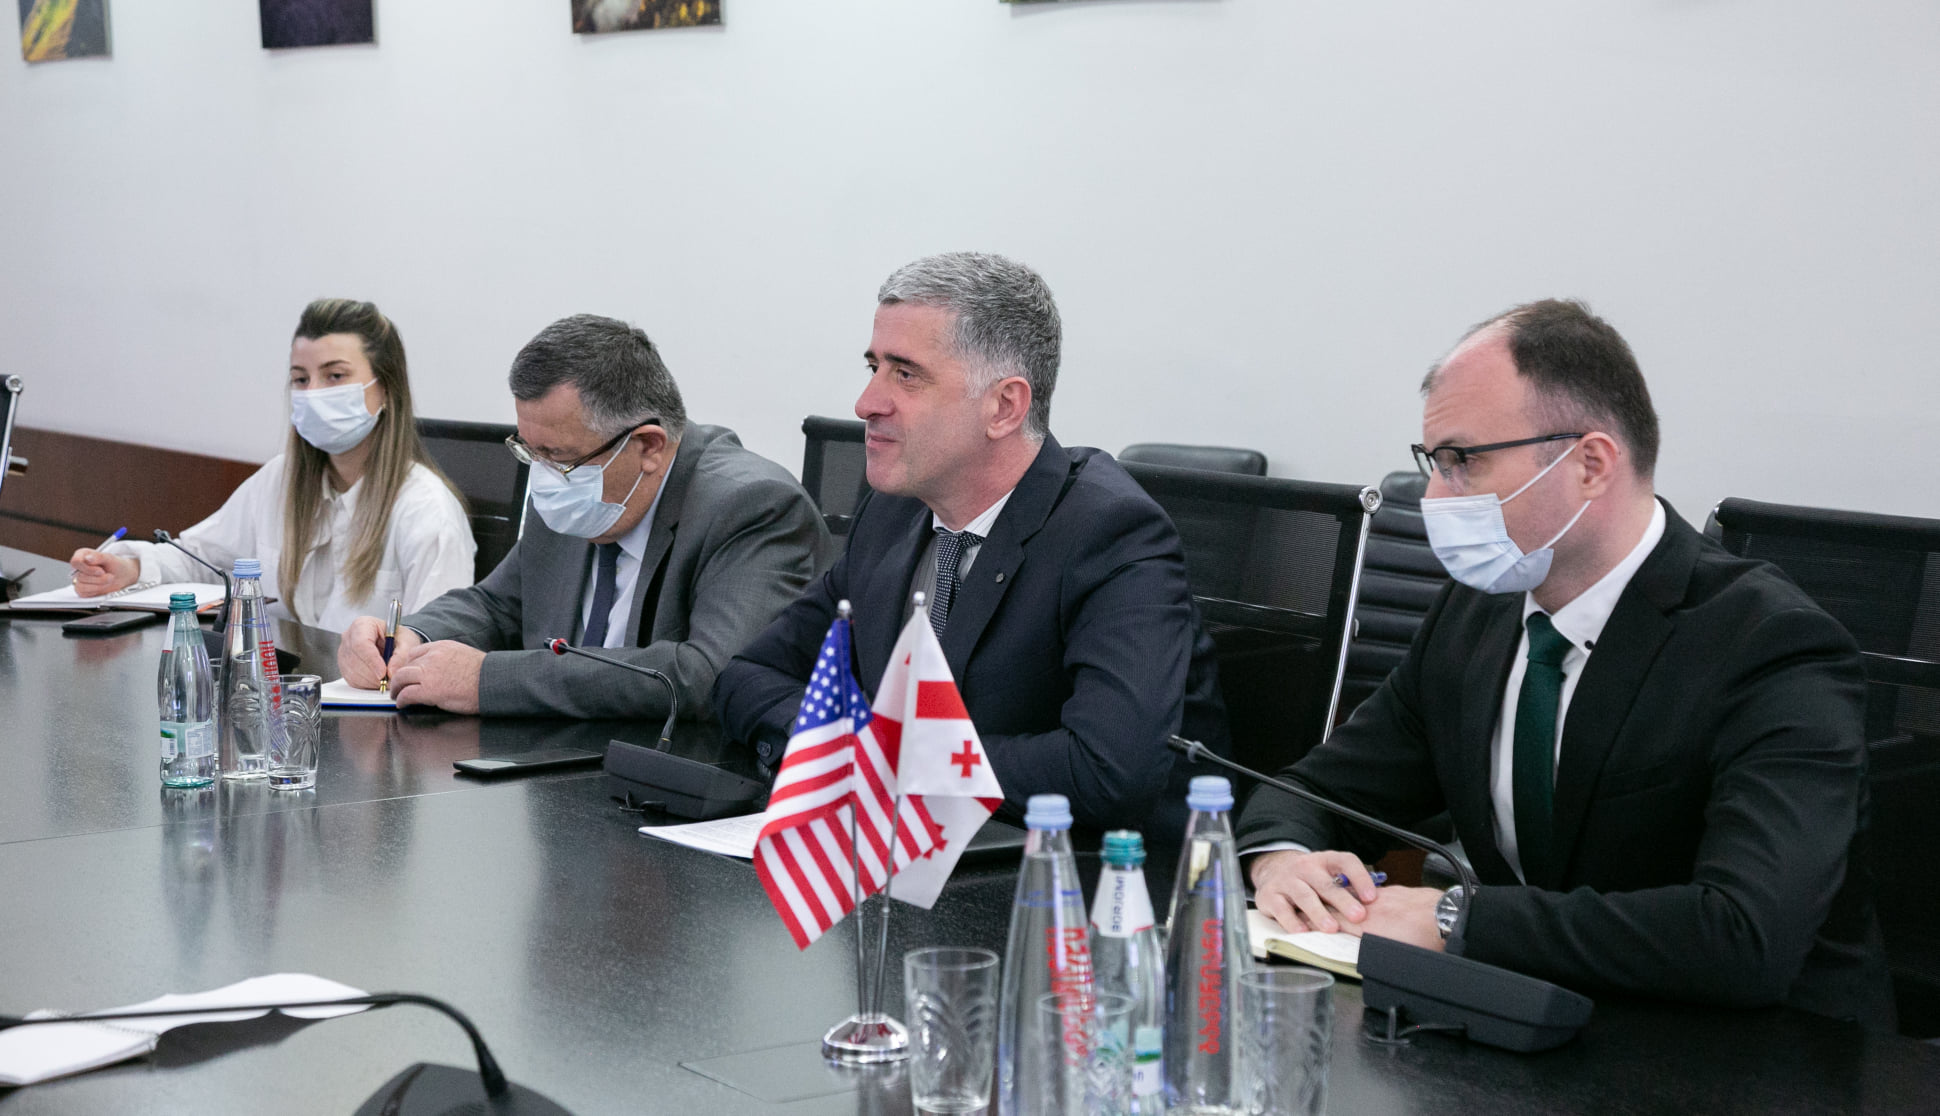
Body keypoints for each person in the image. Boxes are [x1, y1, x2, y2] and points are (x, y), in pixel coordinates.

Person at [1239, 299, 1893, 1027]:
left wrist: (1459, 918)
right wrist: (1282, 860)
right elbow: (1314, 791)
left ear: (1590, 464)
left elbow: (1742, 935)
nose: (1432, 497)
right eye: (1433, 463)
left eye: (1463, 461)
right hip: (1532, 1022)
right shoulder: (1474, 614)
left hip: (1756, 1052)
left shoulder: (1772, 645)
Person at [713, 252, 1229, 838]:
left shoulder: (1112, 535)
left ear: (1004, 407)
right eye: (874, 367)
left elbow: (1108, 771)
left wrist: (895, 757)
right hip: (915, 847)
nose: (866, 403)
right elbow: (750, 675)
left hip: (1084, 875)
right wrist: (850, 748)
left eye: (906, 375)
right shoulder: (893, 511)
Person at [337, 314, 831, 720]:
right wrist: (411, 636)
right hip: (556, 767)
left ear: (648, 446)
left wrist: (490, 680)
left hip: (678, 784)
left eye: (557, 456)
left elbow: (711, 675)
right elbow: (498, 605)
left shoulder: (752, 506)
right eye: (531, 452)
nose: (543, 476)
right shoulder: (576, 486)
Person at [68, 299, 474, 633]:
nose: (313, 393)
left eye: (335, 376)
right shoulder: (279, 480)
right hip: (274, 688)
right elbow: (203, 560)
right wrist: (130, 567)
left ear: (385, 388)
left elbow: (437, 645)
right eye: (301, 379)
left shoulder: (428, 512)